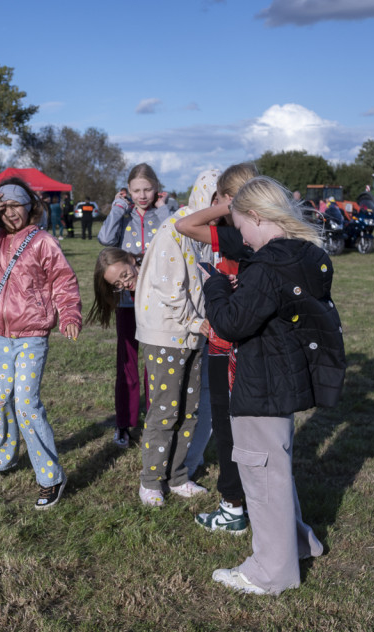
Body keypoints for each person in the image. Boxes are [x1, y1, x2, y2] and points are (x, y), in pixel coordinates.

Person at [201, 176, 345, 596]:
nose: (241, 238)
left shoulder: (266, 266)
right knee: (275, 468)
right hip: (284, 380)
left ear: (258, 217)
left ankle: (270, 571)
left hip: (261, 383)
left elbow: (230, 324)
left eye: (241, 226)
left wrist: (214, 286)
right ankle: (297, 543)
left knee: (261, 473)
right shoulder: (307, 255)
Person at [0, 177, 82, 510]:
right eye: (4, 206)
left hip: (31, 337)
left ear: (30, 206)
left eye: (17, 205)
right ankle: (1, 460)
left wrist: (69, 314)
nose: (11, 213)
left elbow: (63, 280)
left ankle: (50, 477)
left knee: (26, 404)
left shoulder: (42, 242)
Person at [88, 173, 213, 507]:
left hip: (190, 336)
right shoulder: (160, 257)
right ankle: (150, 481)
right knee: (164, 412)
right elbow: (174, 294)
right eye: (117, 285)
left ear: (132, 259)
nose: (125, 284)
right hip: (169, 338)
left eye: (125, 276)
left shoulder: (158, 251)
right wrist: (196, 322)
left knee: (189, 411)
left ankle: (177, 476)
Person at [175, 162, 259, 534]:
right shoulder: (266, 234)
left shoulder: (238, 237)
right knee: (249, 431)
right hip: (246, 345)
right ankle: (250, 501)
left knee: (228, 431)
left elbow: (185, 225)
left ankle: (232, 508)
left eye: (222, 199)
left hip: (226, 346)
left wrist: (231, 206)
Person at [96, 164, 174, 448]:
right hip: (126, 301)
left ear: (157, 188)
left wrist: (164, 209)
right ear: (128, 191)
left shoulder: (164, 212)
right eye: (136, 190)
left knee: (155, 365)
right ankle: (124, 424)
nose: (142, 195)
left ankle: (155, 422)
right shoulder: (124, 214)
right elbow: (105, 240)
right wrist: (118, 207)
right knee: (127, 363)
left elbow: (176, 237)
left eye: (147, 189)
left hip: (157, 300)